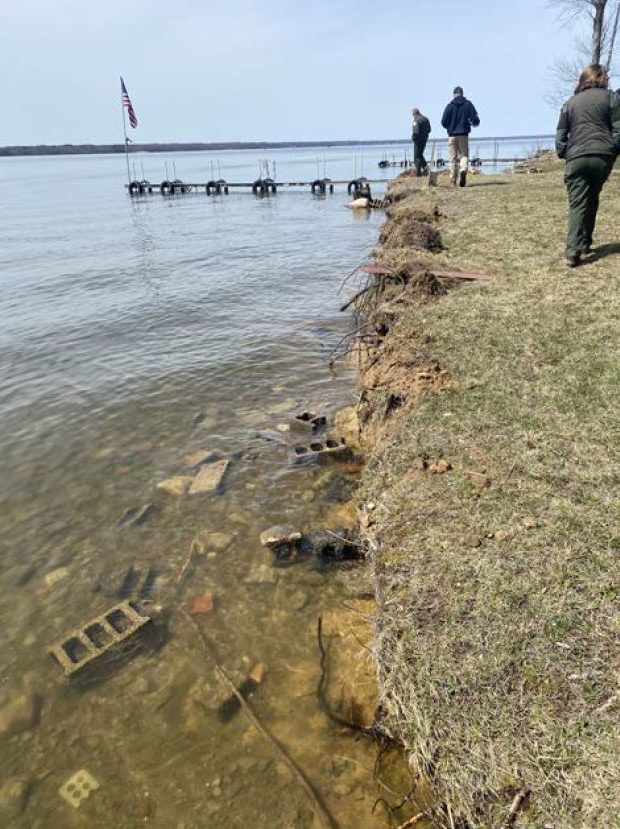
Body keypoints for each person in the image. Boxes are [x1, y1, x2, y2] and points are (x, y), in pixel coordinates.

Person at [556, 64, 620, 267]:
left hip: (576, 157)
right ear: (600, 78)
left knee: (577, 202)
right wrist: (613, 149)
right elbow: (618, 129)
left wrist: (565, 153)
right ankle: (584, 242)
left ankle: (573, 251)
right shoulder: (611, 98)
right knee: (592, 196)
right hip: (602, 155)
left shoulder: (570, 103)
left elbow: (560, 136)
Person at [441, 86, 480, 187]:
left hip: (452, 135)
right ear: (462, 94)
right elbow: (475, 119)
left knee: (452, 159)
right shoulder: (468, 104)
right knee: (464, 155)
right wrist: (474, 123)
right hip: (463, 134)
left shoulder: (449, 106)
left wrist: (449, 128)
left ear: (454, 94)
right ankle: (463, 169)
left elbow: (443, 122)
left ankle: (453, 181)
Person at [411, 108, 431, 176]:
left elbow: (415, 132)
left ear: (414, 114)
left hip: (418, 141)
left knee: (416, 158)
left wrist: (413, 138)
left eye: (412, 115)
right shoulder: (426, 119)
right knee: (420, 155)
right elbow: (429, 130)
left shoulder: (416, 120)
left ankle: (420, 172)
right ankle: (426, 169)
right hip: (424, 139)